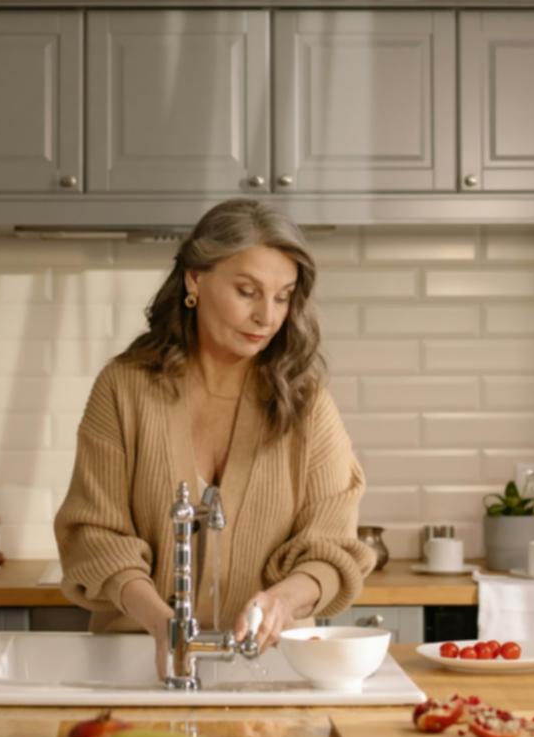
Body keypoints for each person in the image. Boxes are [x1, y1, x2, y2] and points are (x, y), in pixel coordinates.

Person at [53, 198, 374, 674]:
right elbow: (95, 535)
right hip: (135, 662)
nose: (267, 316)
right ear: (195, 280)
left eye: (283, 296)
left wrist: (283, 602)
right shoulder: (125, 389)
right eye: (248, 291)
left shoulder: (306, 404)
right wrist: (163, 624)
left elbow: (332, 551)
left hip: (269, 670)